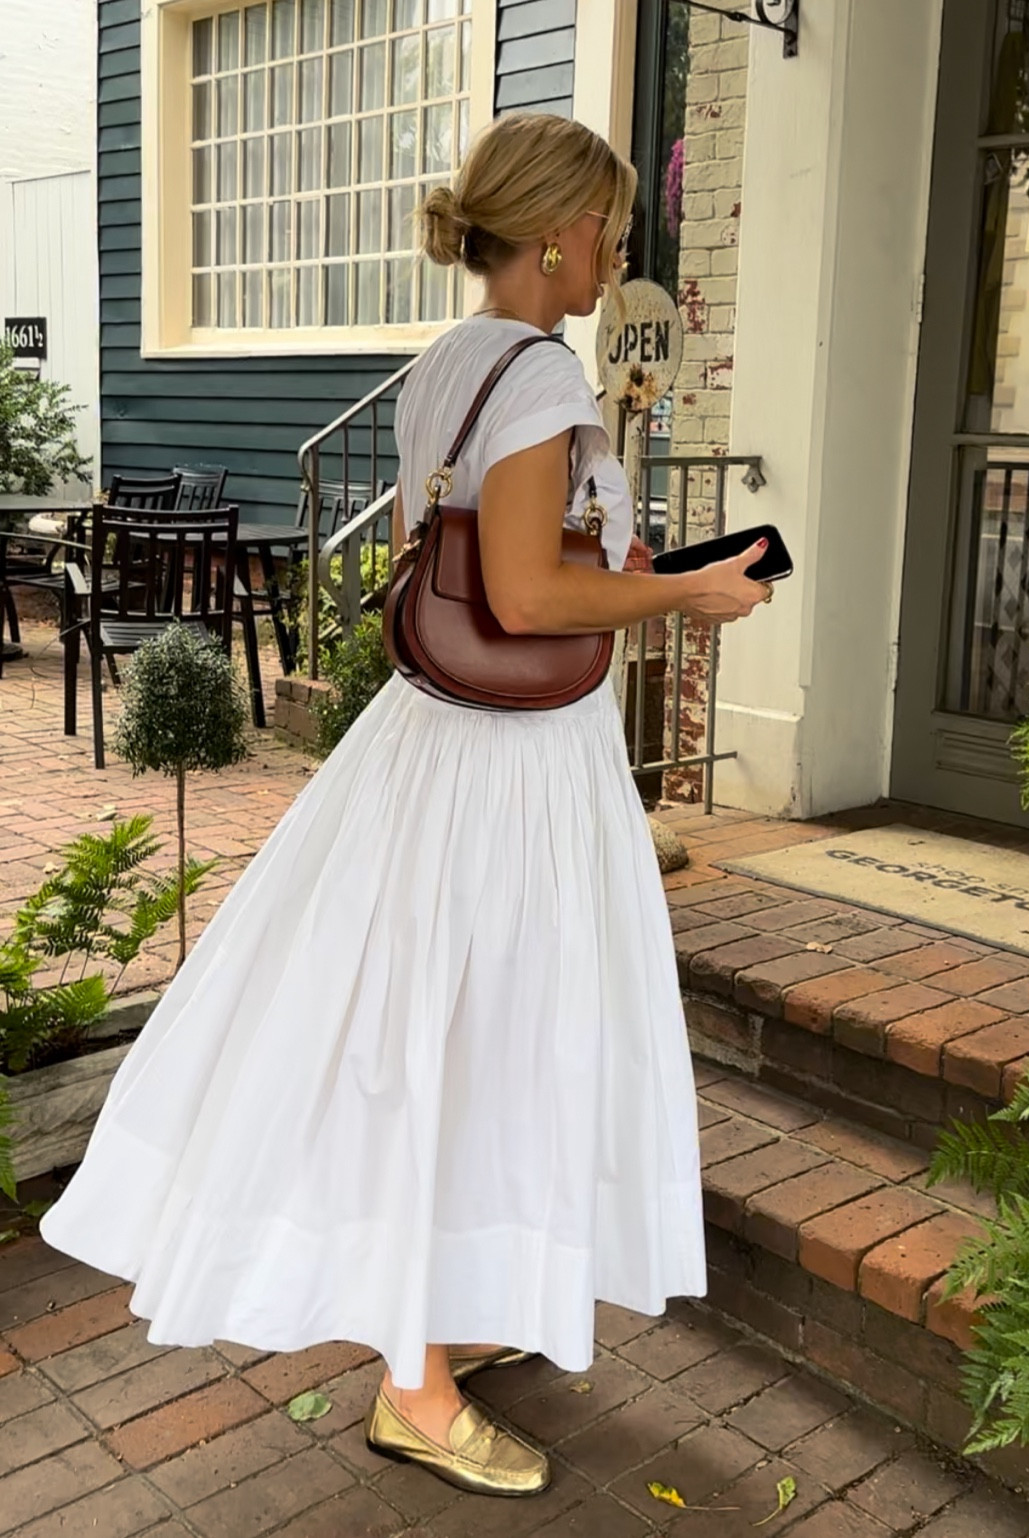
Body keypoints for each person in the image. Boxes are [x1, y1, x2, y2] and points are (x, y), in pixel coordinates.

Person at [39, 111, 773, 1499]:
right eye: (609, 226)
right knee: (480, 1037)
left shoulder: (451, 361)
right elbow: (529, 596)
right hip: (512, 768)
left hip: (444, 747)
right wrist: (688, 589)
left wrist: (638, 541)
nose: (617, 252)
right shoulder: (540, 375)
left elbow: (483, 557)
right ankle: (416, 1386)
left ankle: (440, 1320)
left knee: (452, 1037)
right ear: (556, 232)